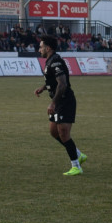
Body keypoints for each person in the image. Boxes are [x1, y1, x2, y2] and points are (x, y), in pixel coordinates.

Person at [33, 34, 87, 176]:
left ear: (48, 48)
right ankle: (78, 154)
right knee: (54, 132)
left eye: (41, 47)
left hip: (64, 101)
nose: (39, 50)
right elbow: (53, 81)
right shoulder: (50, 60)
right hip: (58, 101)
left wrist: (53, 103)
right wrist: (43, 88)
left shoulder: (56, 61)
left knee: (63, 133)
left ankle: (76, 166)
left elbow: (62, 84)